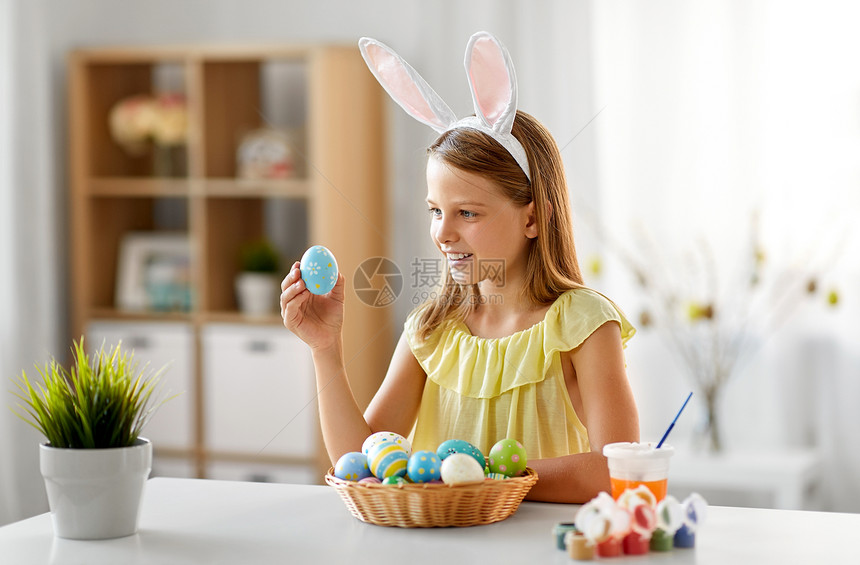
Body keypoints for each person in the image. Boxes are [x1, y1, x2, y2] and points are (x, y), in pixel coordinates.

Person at [280, 32, 639, 503]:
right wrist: (325, 349)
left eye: (467, 213)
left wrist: (480, 478)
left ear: (532, 217)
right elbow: (361, 466)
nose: (443, 233)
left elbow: (615, 470)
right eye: (435, 210)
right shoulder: (431, 331)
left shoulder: (582, 324)